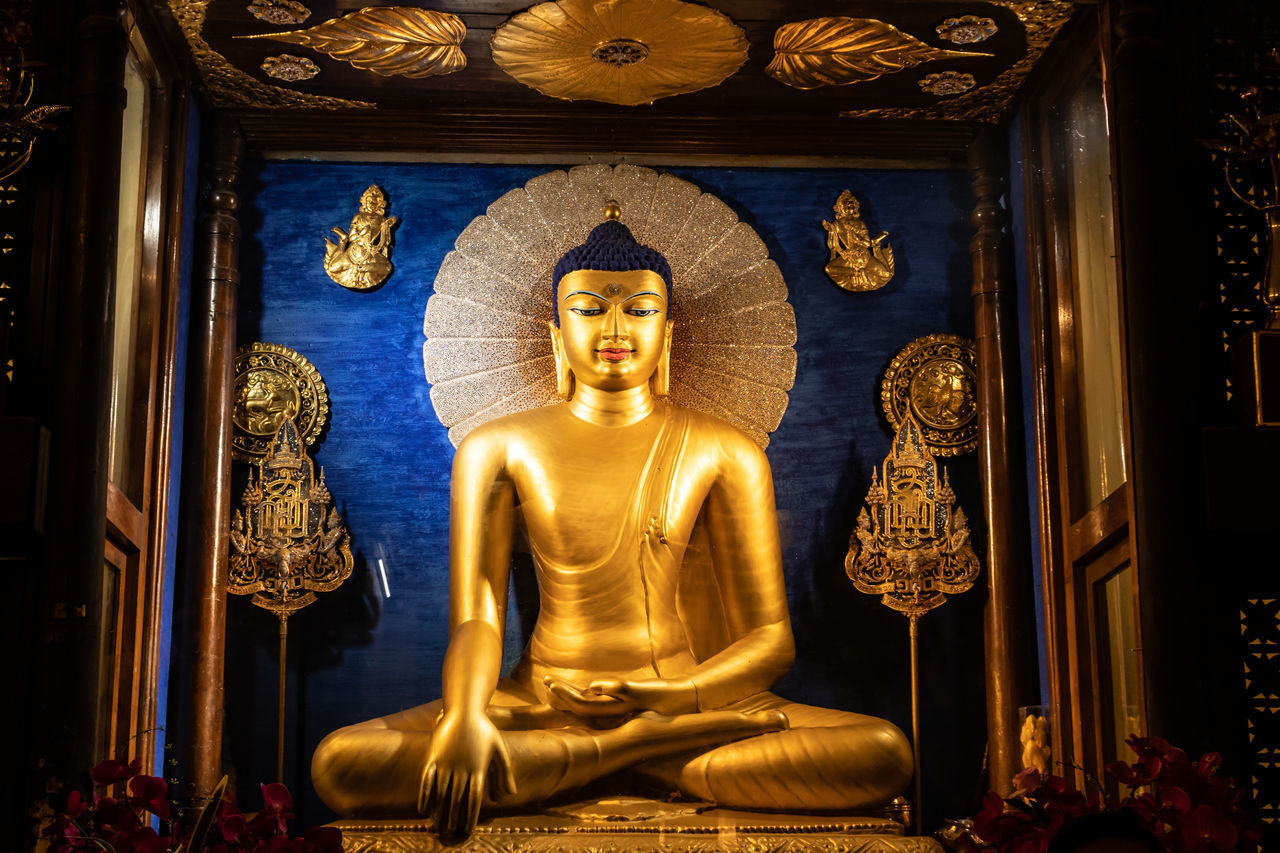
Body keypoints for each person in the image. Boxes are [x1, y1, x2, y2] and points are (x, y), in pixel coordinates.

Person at [312, 207, 913, 839]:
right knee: (345, 763)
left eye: (640, 309)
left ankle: (607, 755)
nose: (615, 328)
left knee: (880, 749)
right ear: (555, 333)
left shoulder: (726, 449)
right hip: (542, 702)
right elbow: (476, 615)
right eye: (591, 308)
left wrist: (668, 699)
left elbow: (768, 642)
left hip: (686, 697)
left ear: (669, 332)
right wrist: (464, 714)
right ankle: (641, 753)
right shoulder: (499, 446)